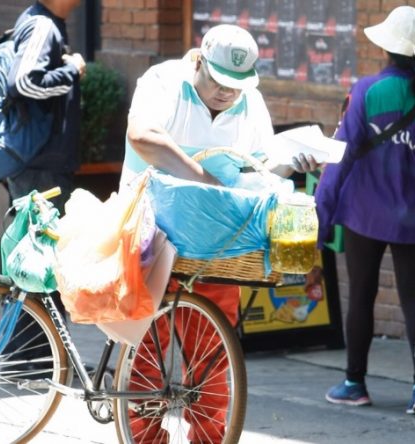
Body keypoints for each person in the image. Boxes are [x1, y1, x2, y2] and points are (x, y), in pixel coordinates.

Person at [121, 24, 318, 442]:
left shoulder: (252, 104)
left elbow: (258, 172)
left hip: (216, 245)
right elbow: (141, 135)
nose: (228, 93)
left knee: (212, 355)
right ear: (199, 61)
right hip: (150, 238)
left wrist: (291, 164)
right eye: (220, 82)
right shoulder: (163, 82)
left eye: (238, 86)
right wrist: (202, 176)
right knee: (143, 352)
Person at [315, 6, 415, 416]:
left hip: (363, 214)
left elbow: (340, 158)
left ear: (386, 48)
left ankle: (354, 383)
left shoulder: (365, 91)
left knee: (361, 298)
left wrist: (322, 213)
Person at [1, 0, 85, 373]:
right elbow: (23, 82)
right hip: (40, 166)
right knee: (38, 263)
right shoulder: (42, 27)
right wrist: (71, 70)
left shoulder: (45, 23)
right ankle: (30, 359)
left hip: (40, 164)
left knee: (36, 262)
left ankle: (34, 357)